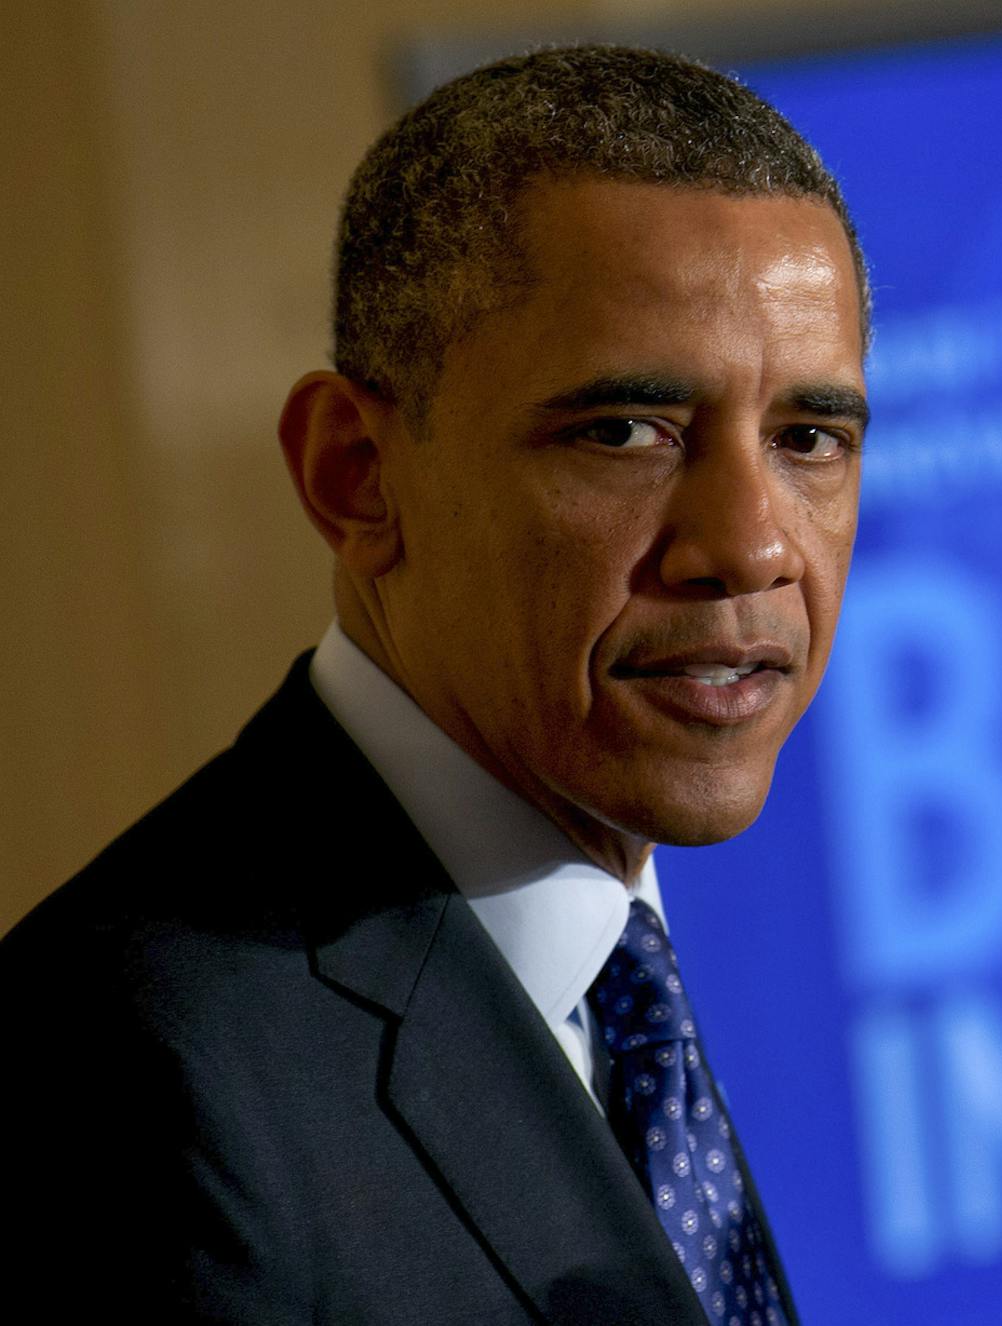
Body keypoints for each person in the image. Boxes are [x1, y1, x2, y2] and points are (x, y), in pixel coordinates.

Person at [0, 45, 869, 1325]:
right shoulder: (128, 1084)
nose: (748, 542)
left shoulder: (652, 977)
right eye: (627, 431)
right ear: (356, 474)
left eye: (808, 439)